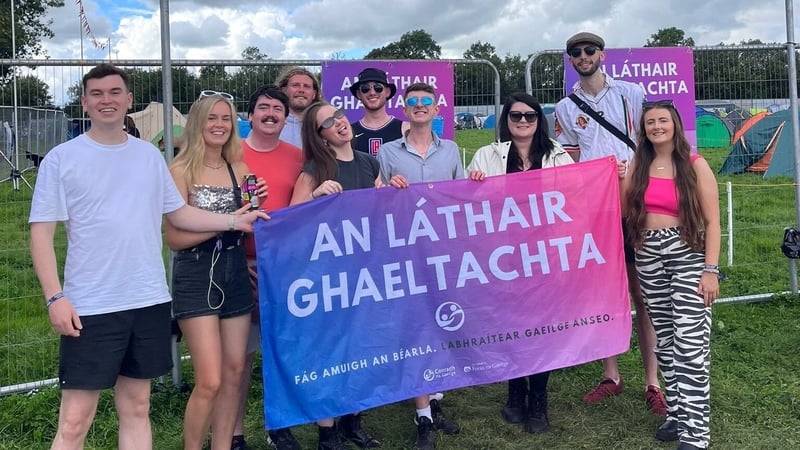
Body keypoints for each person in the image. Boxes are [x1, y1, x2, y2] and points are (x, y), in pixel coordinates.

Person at [28, 63, 266, 450]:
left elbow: (180, 214)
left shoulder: (148, 157)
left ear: (129, 100)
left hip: (148, 300)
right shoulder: (62, 158)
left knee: (138, 407)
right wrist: (55, 296)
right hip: (90, 305)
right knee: (75, 420)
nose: (107, 100)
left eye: (115, 92)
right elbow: (41, 233)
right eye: (98, 94)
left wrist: (234, 221)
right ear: (85, 102)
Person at [553, 31, 667, 415]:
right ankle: (611, 375)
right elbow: (568, 157)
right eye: (575, 53)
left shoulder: (629, 93)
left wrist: (633, 168)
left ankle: (653, 382)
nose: (583, 56)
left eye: (588, 50)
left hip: (635, 202)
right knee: (605, 295)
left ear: (601, 54)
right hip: (596, 209)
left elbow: (650, 142)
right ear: (570, 60)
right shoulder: (565, 106)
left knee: (644, 294)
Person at [467, 92, 573, 434]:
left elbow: (578, 194)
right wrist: (474, 186)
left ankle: (538, 398)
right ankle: (515, 391)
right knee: (509, 324)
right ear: (506, 120)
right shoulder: (487, 154)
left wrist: (611, 175)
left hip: (545, 255)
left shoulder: (557, 156)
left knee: (542, 327)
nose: (523, 121)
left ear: (539, 120)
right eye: (516, 116)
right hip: (504, 256)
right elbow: (468, 206)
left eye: (530, 115)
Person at [622, 100, 720, 450]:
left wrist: (710, 271)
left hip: (687, 253)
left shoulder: (694, 165)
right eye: (650, 122)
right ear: (643, 129)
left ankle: (697, 434)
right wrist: (618, 177)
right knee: (665, 340)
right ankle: (678, 413)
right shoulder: (639, 164)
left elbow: (713, 222)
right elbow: (624, 208)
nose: (657, 127)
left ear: (675, 124)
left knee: (690, 345)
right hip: (648, 253)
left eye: (663, 120)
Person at [165, 92, 257, 450]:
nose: (219, 125)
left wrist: (251, 210)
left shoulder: (241, 169)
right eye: (211, 118)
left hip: (233, 270)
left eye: (226, 119)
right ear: (197, 123)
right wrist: (231, 223)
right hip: (196, 273)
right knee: (209, 380)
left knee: (234, 372)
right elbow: (174, 237)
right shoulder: (178, 170)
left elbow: (253, 215)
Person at [289, 101, 382, 450]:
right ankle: (326, 432)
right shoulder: (314, 169)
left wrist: (396, 191)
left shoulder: (370, 162)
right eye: (328, 122)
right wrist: (313, 196)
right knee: (330, 352)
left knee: (361, 347)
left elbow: (384, 213)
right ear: (320, 136)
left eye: (339, 115)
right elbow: (289, 223)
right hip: (328, 277)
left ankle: (352, 422)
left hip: (366, 272)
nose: (339, 123)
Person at [376, 83, 462, 450]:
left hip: (443, 251)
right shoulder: (389, 152)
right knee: (416, 327)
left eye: (427, 101)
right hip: (407, 251)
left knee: (442, 322)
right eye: (413, 102)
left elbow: (463, 198)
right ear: (404, 110)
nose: (420, 106)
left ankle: (435, 398)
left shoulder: (453, 150)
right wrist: (387, 188)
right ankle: (422, 412)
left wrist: (473, 181)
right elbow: (376, 199)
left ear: (437, 108)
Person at [233, 84, 304, 450]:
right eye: (263, 107)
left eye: (278, 109)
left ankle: (280, 425)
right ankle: (235, 432)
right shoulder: (233, 155)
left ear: (287, 117)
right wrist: (238, 259)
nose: (271, 114)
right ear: (250, 116)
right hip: (241, 265)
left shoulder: (298, 156)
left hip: (285, 271)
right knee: (241, 358)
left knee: (282, 354)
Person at [349, 67, 409, 156]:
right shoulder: (349, 132)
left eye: (378, 87)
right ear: (359, 94)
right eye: (365, 88)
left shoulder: (406, 129)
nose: (372, 92)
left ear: (387, 92)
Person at [275, 66, 322, 149]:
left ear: (314, 94)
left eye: (306, 86)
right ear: (283, 90)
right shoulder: (270, 122)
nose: (301, 90)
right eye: (295, 85)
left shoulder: (323, 125)